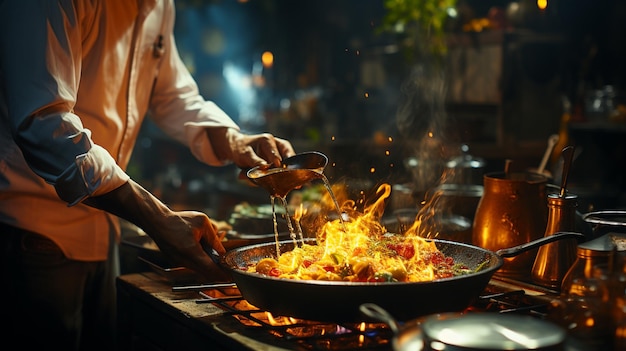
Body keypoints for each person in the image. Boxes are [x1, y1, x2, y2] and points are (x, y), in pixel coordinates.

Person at [0, 0, 295, 350]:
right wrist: (158, 219)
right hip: (32, 234)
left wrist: (233, 139)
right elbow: (44, 123)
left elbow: (172, 94)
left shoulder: (159, 6)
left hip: (103, 227)